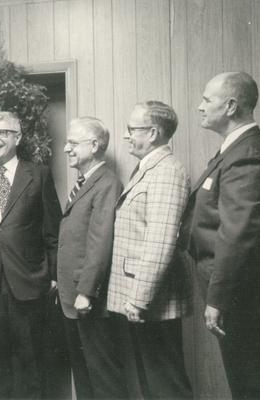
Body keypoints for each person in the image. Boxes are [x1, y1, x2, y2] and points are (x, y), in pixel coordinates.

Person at [187, 72, 260, 399]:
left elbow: (237, 234)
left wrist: (218, 297)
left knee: (255, 386)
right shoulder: (237, 149)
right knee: (248, 384)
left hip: (245, 295)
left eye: (207, 100)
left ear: (230, 106)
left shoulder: (248, 153)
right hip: (242, 293)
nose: (200, 107)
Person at [0, 111, 62, 398]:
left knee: (31, 362)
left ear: (17, 137)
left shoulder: (38, 175)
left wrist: (52, 276)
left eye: (2, 132)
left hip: (29, 283)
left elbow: (52, 230)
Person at [106, 101, 193, 399]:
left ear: (153, 132)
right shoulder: (147, 169)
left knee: (166, 384)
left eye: (132, 129)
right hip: (139, 297)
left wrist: (139, 300)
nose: (127, 135)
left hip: (150, 299)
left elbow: (160, 240)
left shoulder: (167, 171)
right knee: (148, 383)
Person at [56, 117, 125, 399]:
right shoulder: (88, 182)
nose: (65, 149)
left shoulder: (107, 183)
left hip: (87, 297)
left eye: (73, 143)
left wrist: (86, 291)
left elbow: (100, 241)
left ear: (95, 145)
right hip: (71, 295)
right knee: (84, 375)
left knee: (102, 376)